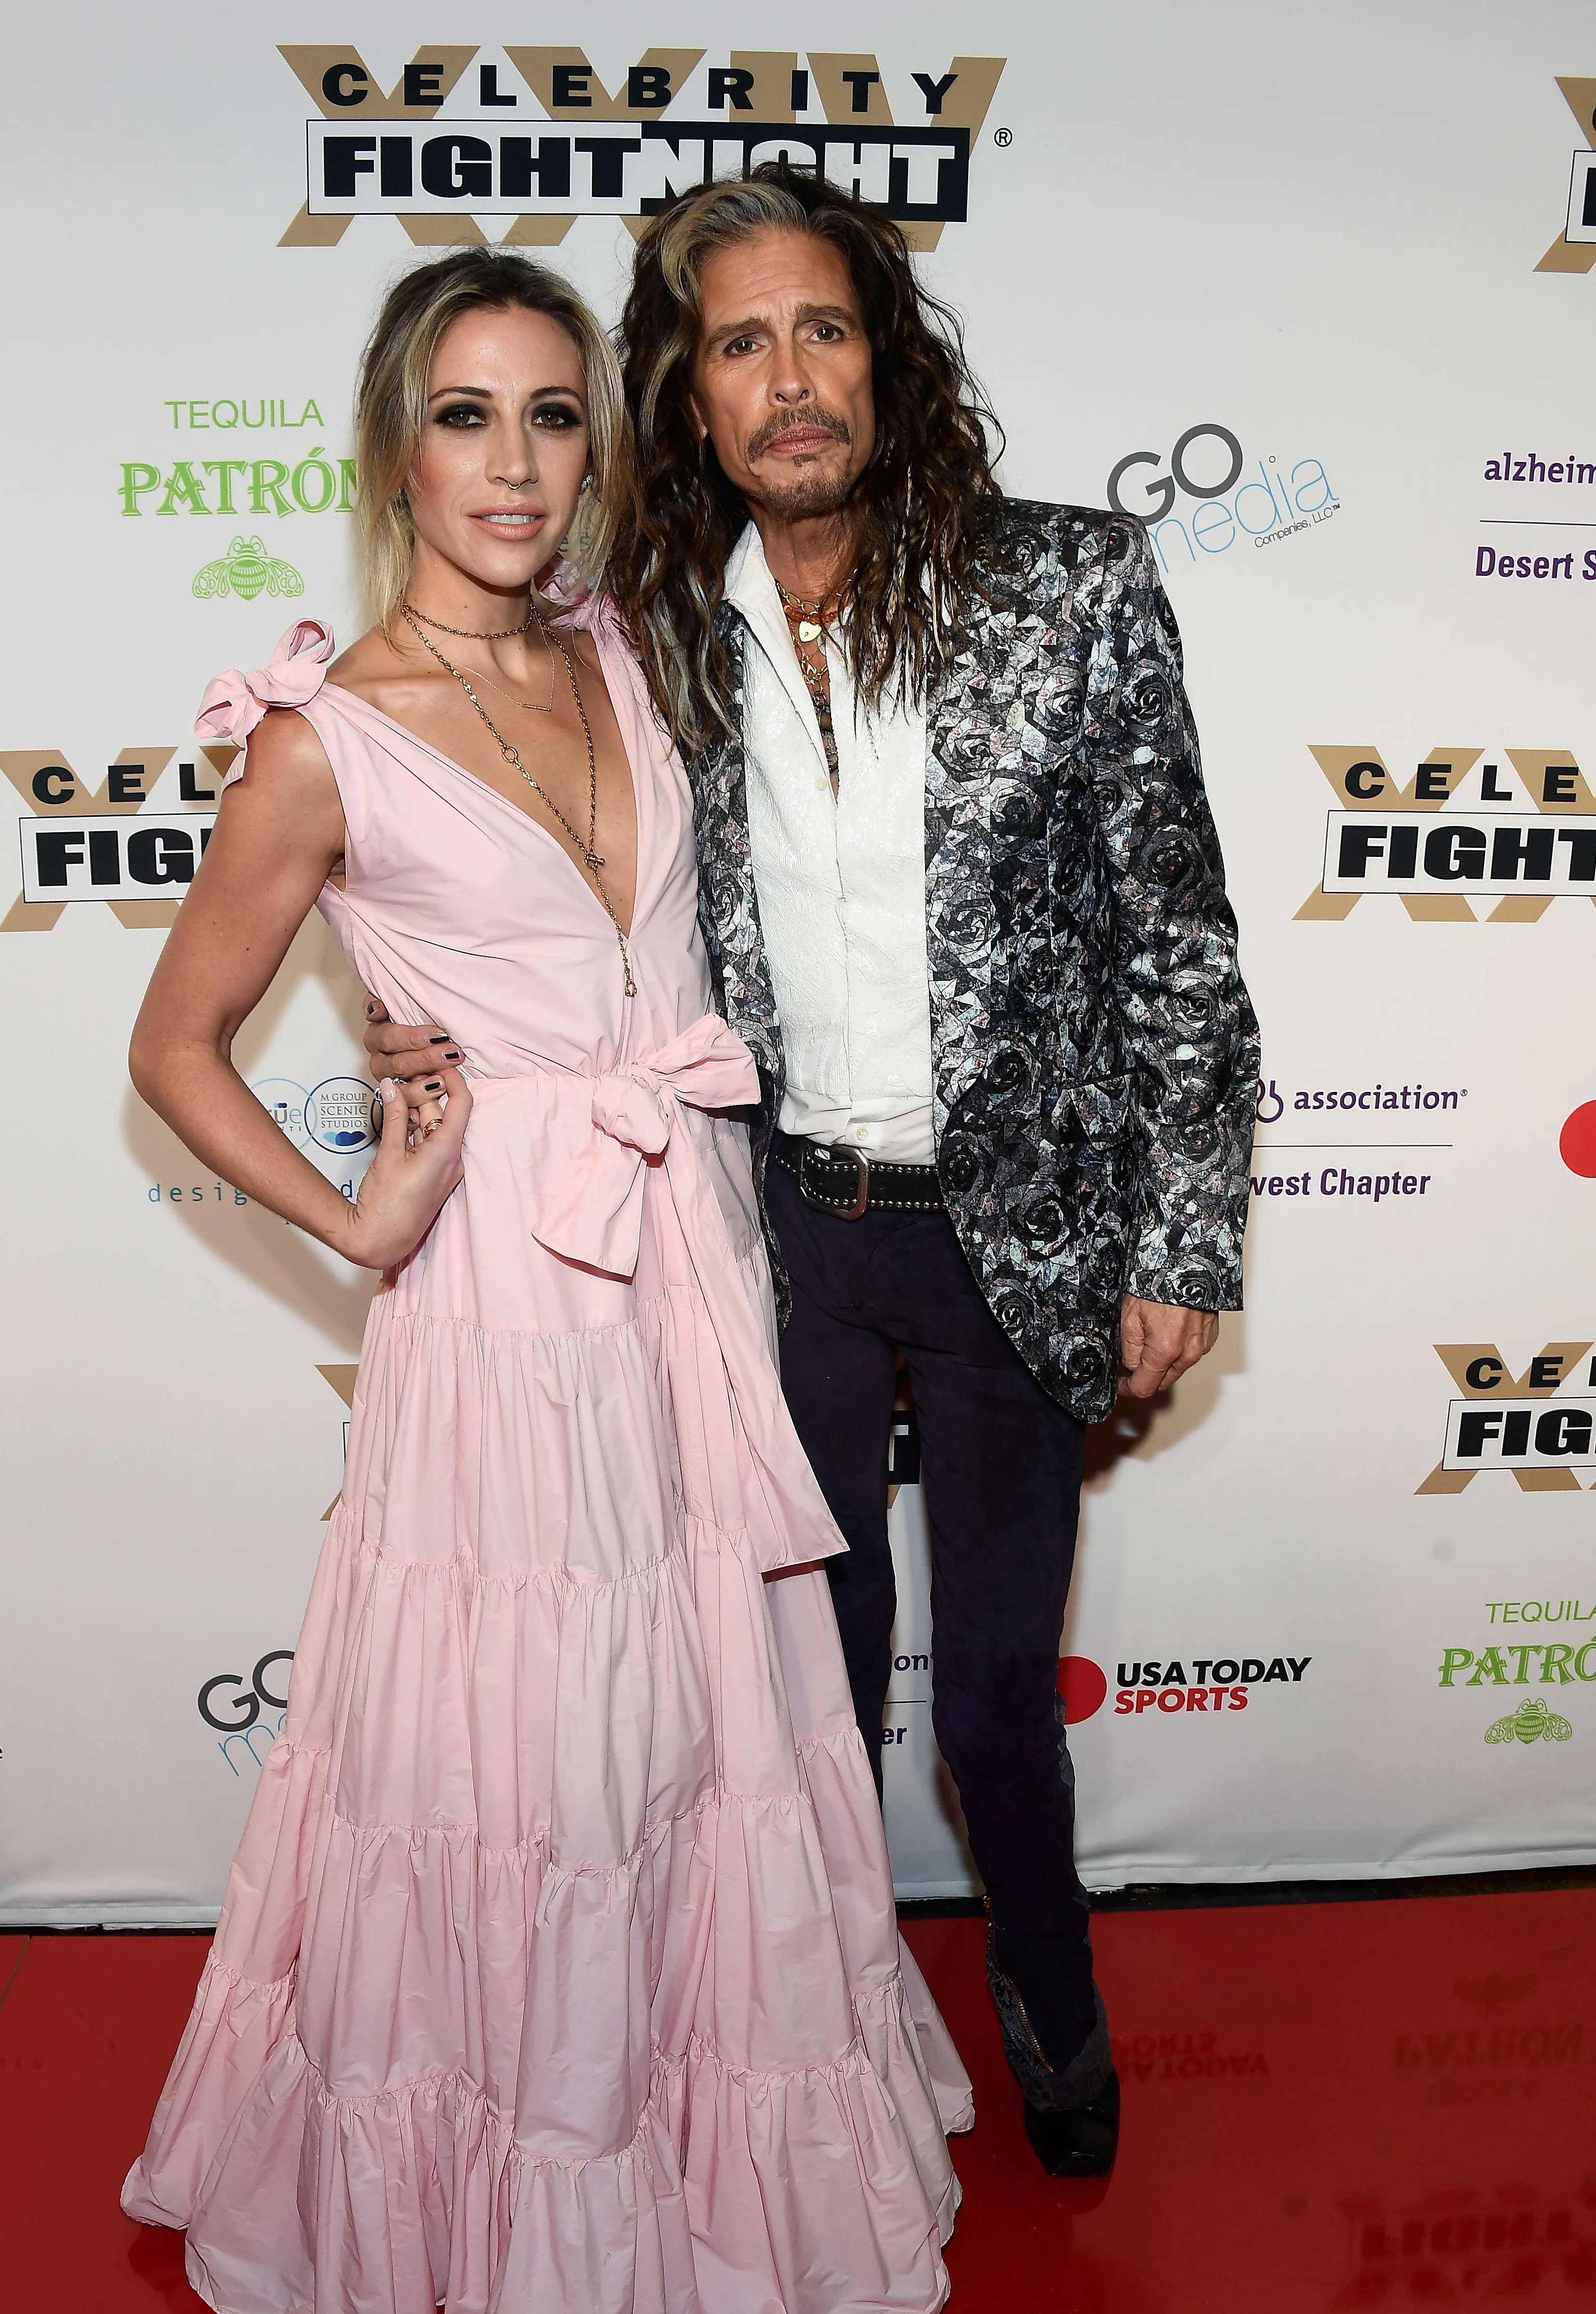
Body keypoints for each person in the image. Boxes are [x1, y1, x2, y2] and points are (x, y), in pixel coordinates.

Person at [120, 247, 971, 2314]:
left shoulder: (621, 643)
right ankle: (525, 2239)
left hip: (687, 1244)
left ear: (605, 440)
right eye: (468, 415)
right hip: (506, 1302)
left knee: (716, 1726)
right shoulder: (321, 738)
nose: (516, 465)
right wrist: (363, 1207)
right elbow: (175, 1045)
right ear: (394, 441)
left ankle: (721, 2197)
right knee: (544, 1770)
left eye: (556, 415)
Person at [367, 174, 1260, 2180]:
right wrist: (416, 1015)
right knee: (793, 1699)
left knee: (998, 1701)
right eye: (742, 344)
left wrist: (1184, 1230)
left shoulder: (1073, 583)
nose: (791, 381)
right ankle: (822, 2056)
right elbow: (485, 827)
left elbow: (1178, 936)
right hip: (771, 1247)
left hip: (1022, 1233)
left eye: (826, 331)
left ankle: (1046, 1989)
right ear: (685, 395)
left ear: (889, 357)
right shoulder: (641, 637)